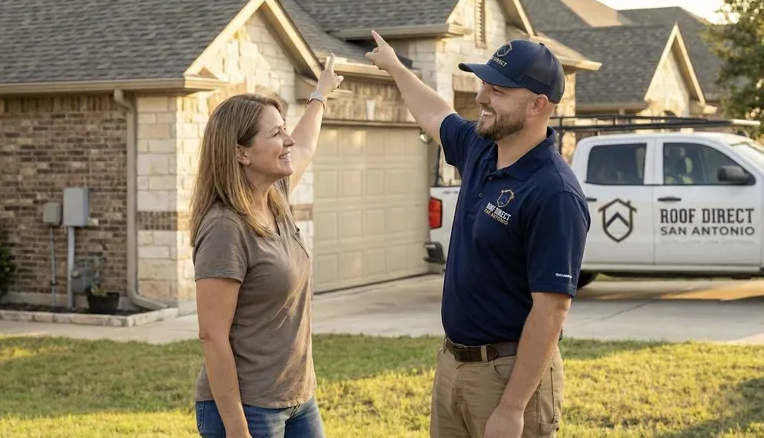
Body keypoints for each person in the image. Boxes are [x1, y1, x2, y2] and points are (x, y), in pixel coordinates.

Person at [366, 32, 590, 438]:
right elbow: (436, 115)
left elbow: (551, 310)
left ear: (539, 104)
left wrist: (512, 407)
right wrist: (397, 69)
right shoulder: (482, 149)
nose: (482, 96)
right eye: (484, 83)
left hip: (507, 375)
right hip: (454, 364)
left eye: (498, 90)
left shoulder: (554, 192)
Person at [189, 55, 343, 438]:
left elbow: (304, 144)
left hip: (298, 399)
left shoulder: (274, 197)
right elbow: (212, 335)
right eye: (276, 134)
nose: (288, 140)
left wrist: (320, 93)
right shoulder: (226, 228)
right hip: (250, 408)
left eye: (284, 129)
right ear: (242, 153)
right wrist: (237, 428)